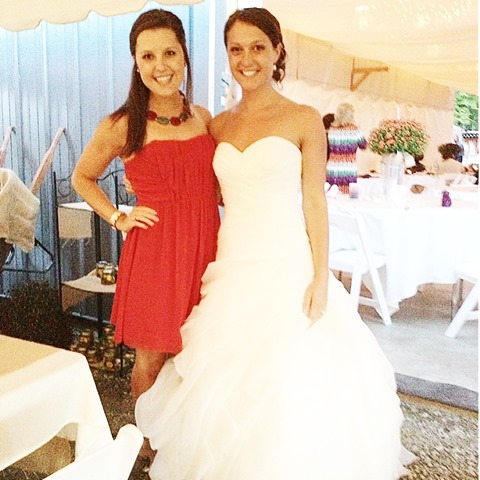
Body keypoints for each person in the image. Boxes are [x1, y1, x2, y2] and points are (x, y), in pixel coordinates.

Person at [136, 7, 413, 480]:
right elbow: (201, 189)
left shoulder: (304, 119)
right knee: (222, 375)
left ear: (278, 52)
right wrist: (138, 198)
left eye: (258, 47)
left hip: (287, 263)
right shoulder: (217, 125)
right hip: (231, 263)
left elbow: (314, 203)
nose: (247, 59)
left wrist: (320, 277)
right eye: (236, 49)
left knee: (288, 376)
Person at [71, 9, 220, 404]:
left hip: (207, 249)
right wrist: (118, 217)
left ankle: (184, 436)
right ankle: (147, 438)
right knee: (151, 359)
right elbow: (82, 177)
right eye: (148, 56)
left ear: (184, 55)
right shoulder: (122, 124)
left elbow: (217, 187)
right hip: (157, 253)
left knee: (199, 354)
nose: (160, 66)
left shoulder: (203, 118)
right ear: (136, 64)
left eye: (169, 53)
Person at [326, 102, 367, 193]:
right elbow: (364, 146)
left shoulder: (332, 130)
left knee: (332, 194)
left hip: (332, 167)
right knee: (347, 194)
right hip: (348, 168)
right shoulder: (355, 130)